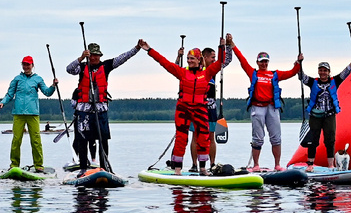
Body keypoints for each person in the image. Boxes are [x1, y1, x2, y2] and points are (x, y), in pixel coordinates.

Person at [140, 39, 227, 173]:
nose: (189, 61)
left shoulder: (207, 73)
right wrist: (149, 50)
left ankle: (203, 168)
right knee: (181, 138)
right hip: (183, 109)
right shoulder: (182, 72)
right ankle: (178, 169)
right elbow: (164, 62)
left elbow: (221, 61)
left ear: (199, 60)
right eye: (187, 58)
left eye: (192, 58)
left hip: (200, 108)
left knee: (204, 137)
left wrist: (222, 46)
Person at [229, 35, 302, 170]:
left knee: (276, 137)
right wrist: (232, 45)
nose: (264, 64)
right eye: (261, 61)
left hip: (272, 108)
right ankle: (256, 165)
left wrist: (298, 63)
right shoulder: (253, 73)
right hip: (257, 107)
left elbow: (292, 72)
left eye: (266, 62)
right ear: (257, 62)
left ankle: (277, 165)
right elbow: (242, 60)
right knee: (257, 138)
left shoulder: (275, 74)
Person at [65, 40, 141, 170]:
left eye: (97, 55)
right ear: (88, 55)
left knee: (103, 140)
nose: (94, 57)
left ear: (100, 56)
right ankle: (83, 168)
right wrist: (81, 58)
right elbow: (69, 69)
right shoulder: (82, 67)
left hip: (101, 110)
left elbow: (123, 58)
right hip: (83, 111)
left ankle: (104, 167)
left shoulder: (106, 66)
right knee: (82, 140)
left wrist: (137, 48)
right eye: (92, 55)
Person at [299, 55, 351, 170]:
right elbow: (301, 76)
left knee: (330, 140)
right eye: (321, 70)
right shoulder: (313, 82)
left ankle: (331, 165)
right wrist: (299, 62)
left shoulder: (335, 81)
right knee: (313, 139)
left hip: (330, 115)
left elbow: (346, 71)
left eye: (325, 71)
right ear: (318, 71)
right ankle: (310, 164)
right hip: (315, 115)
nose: (323, 73)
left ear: (329, 72)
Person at [0, 55, 57, 171]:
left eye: (28, 64)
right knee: (16, 140)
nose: (26, 67)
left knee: (36, 140)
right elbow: (10, 94)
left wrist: (53, 85)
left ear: (32, 65)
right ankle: (14, 165)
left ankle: (39, 165)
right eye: (24, 64)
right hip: (18, 113)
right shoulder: (17, 79)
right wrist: (3, 102)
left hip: (33, 113)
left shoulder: (38, 79)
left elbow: (47, 92)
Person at [191, 45, 231, 171]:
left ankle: (212, 164)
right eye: (212, 57)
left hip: (211, 107)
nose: (214, 60)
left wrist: (227, 46)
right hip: (197, 106)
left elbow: (227, 60)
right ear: (205, 57)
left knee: (210, 136)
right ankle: (194, 164)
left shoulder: (213, 70)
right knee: (196, 136)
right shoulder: (195, 69)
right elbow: (177, 69)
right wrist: (179, 57)